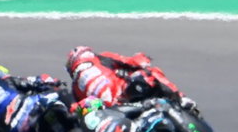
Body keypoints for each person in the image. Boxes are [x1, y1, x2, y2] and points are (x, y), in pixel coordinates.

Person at [65, 46, 194, 109]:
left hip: (111, 111)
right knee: (152, 72)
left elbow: (77, 109)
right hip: (127, 93)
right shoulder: (102, 57)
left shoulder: (75, 88)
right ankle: (181, 98)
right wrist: (142, 58)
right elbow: (131, 61)